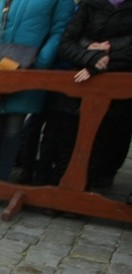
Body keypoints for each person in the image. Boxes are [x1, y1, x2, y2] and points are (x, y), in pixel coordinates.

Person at [0, 0, 74, 181]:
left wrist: (39, 63)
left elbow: (59, 32)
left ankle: (0, 180)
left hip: (26, 70)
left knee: (13, 128)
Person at [59, 0, 132, 192]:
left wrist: (108, 55)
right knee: (70, 137)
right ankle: (64, 191)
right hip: (81, 82)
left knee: (106, 141)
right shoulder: (89, 4)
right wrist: (91, 59)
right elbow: (67, 42)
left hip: (118, 90)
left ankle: (91, 190)